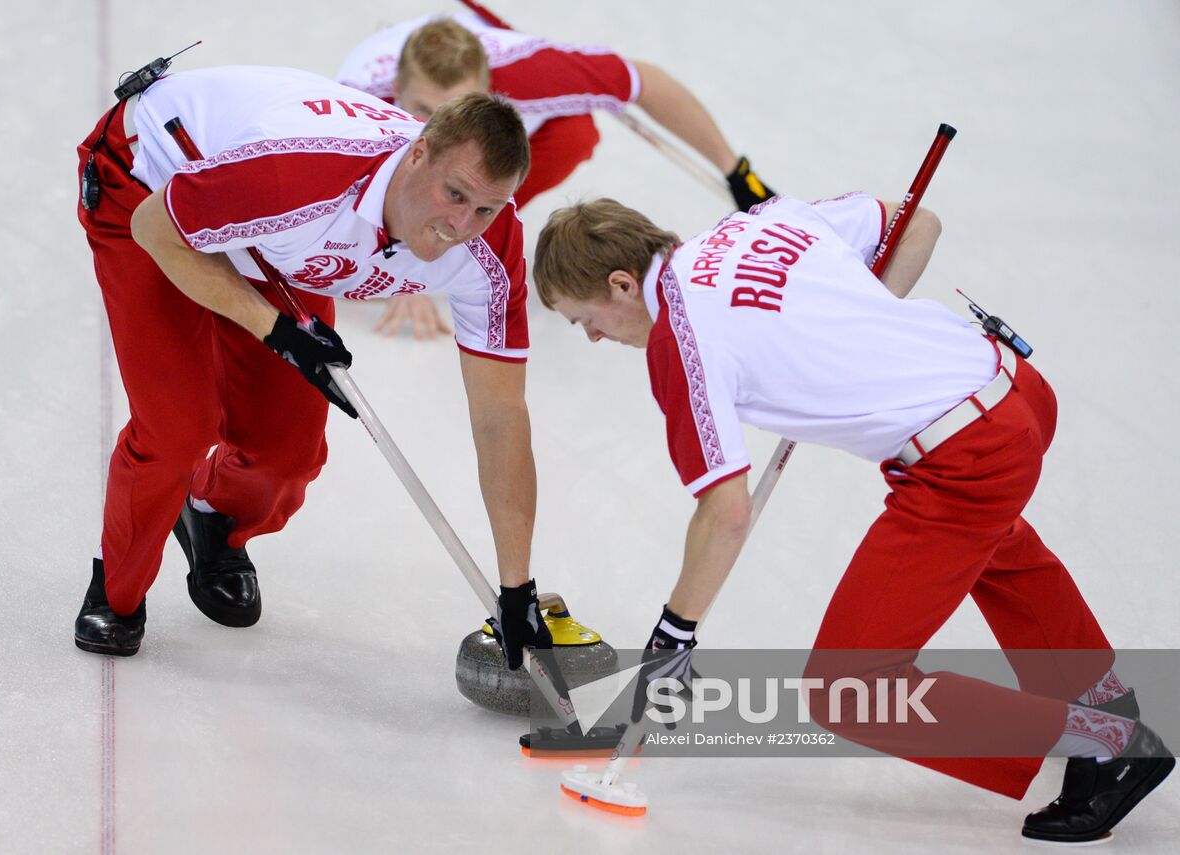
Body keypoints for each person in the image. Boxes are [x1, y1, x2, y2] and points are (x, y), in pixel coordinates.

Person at [531, 193, 1172, 842]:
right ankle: (1101, 694)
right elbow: (917, 223)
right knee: (994, 545)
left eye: (585, 319)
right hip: (1014, 387)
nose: (592, 338)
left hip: (967, 456)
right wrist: (852, 328)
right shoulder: (752, 225)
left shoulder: (680, 342)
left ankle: (1111, 743)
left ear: (621, 283)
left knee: (850, 688)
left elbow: (725, 512)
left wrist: (676, 632)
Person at [73, 64, 553, 667]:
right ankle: (114, 591)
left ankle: (212, 516)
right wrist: (275, 329)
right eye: (454, 194)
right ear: (417, 154)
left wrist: (517, 589)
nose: (461, 226)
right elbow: (156, 229)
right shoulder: (300, 177)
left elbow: (500, 417)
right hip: (144, 189)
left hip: (274, 226)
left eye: (486, 208)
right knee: (179, 427)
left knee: (289, 450)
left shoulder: (492, 250)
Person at [338, 12, 777, 339]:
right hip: (387, 118)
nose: (438, 128)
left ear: (491, 89)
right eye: (423, 110)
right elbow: (349, 214)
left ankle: (472, 224)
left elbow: (643, 81)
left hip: (482, 40)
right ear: (397, 90)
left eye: (455, 110)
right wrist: (407, 268)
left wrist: (736, 172)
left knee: (575, 131)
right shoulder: (360, 112)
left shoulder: (529, 72)